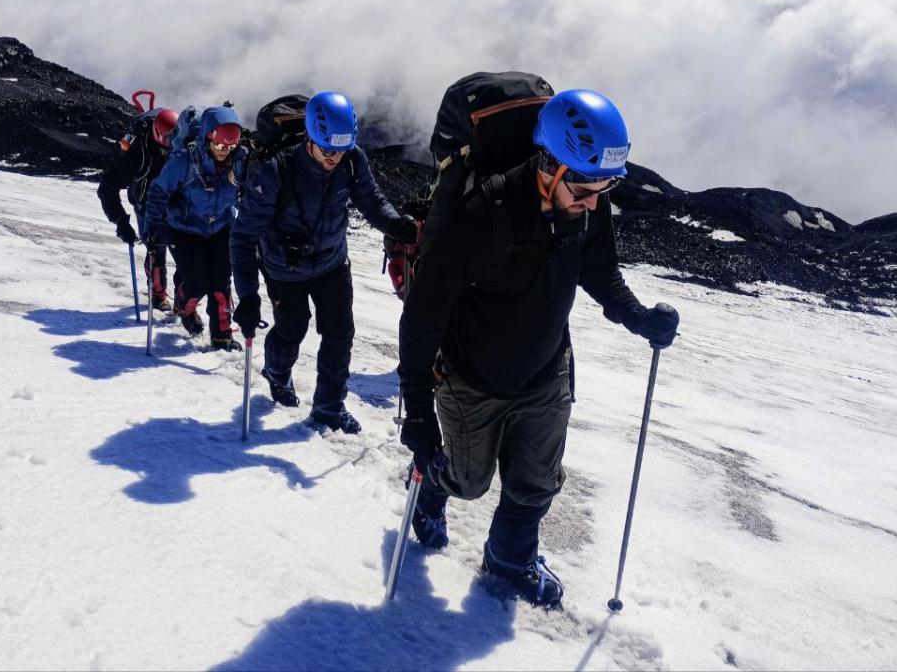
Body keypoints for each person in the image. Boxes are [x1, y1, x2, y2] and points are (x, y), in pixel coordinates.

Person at [395, 89, 679, 608]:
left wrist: (636, 316)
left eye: (607, 186)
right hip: (472, 379)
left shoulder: (587, 201)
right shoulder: (482, 217)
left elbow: (598, 269)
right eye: (585, 186)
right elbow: (422, 319)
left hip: (547, 371)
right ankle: (432, 485)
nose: (595, 201)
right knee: (467, 481)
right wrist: (417, 412)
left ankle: (510, 560)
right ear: (549, 163)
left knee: (536, 485)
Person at [230, 91, 418, 434]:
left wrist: (394, 223)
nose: (335, 157)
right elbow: (242, 237)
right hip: (283, 269)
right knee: (291, 329)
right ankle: (276, 373)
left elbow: (370, 198)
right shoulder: (276, 171)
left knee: (339, 335)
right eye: (328, 149)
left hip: (332, 262)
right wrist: (247, 296)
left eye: (341, 149)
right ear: (311, 139)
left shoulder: (350, 159)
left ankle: (329, 408)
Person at [143, 105, 246, 351]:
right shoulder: (184, 161)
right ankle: (184, 308)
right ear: (208, 137)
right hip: (184, 227)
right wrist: (153, 227)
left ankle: (221, 336)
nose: (225, 152)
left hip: (221, 226)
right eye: (220, 146)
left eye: (230, 147)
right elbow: (158, 191)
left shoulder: (240, 161)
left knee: (221, 282)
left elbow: (252, 192)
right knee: (197, 283)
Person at [97, 106, 178, 312]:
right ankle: (159, 297)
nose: (170, 145)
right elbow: (107, 187)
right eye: (166, 140)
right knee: (155, 252)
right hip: (146, 207)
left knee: (184, 257)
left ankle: (183, 304)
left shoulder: (182, 145)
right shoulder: (137, 153)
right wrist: (121, 222)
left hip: (176, 207)